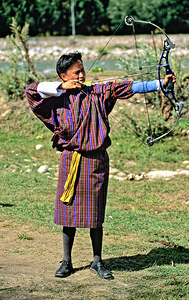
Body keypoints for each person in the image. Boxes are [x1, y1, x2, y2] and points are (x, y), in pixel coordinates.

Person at [25, 52, 176, 279]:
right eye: (77, 72)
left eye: (83, 70)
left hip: (96, 161)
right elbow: (30, 91)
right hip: (71, 160)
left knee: (95, 214)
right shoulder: (55, 99)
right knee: (69, 214)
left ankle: (97, 261)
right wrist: (60, 87)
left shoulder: (97, 92)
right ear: (63, 75)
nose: (82, 75)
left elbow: (127, 87)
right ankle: (66, 262)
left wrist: (160, 83)